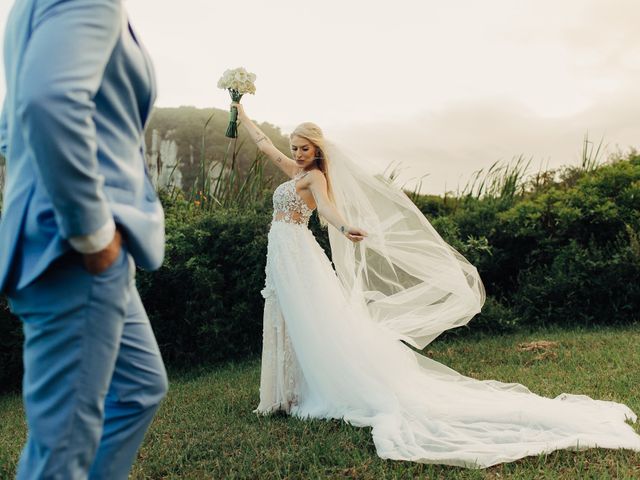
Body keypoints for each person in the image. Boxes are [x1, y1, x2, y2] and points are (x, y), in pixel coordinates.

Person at [234, 101, 640, 468]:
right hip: (283, 254)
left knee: (310, 318)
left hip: (299, 254)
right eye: (295, 146)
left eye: (304, 147)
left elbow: (327, 209)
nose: (297, 152)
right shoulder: (293, 171)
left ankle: (307, 391)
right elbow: (265, 145)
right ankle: (284, 393)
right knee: (288, 315)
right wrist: (240, 110)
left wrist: (345, 227)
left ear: (317, 149)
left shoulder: (315, 178)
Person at [0, 1, 167, 478]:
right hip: (76, 248)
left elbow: (10, 128)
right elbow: (47, 101)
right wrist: (91, 231)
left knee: (139, 388)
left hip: (70, 241)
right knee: (62, 449)